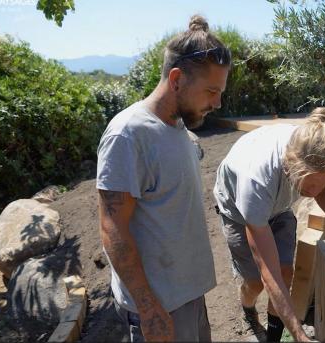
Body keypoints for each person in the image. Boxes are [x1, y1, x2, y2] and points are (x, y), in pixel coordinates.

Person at [96, 15, 230, 342]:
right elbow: (112, 228)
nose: (218, 102)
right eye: (211, 91)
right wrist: (148, 308)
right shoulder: (128, 135)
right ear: (176, 79)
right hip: (159, 307)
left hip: (187, 295)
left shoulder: (177, 125)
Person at [213, 107, 325, 342]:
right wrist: (300, 336)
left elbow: (321, 192)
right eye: (309, 185)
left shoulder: (313, 147)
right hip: (239, 213)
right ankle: (248, 310)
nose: (314, 192)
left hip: (277, 208)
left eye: (321, 183)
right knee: (256, 283)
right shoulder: (256, 180)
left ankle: (273, 337)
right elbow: (269, 275)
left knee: (286, 273)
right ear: (290, 166)